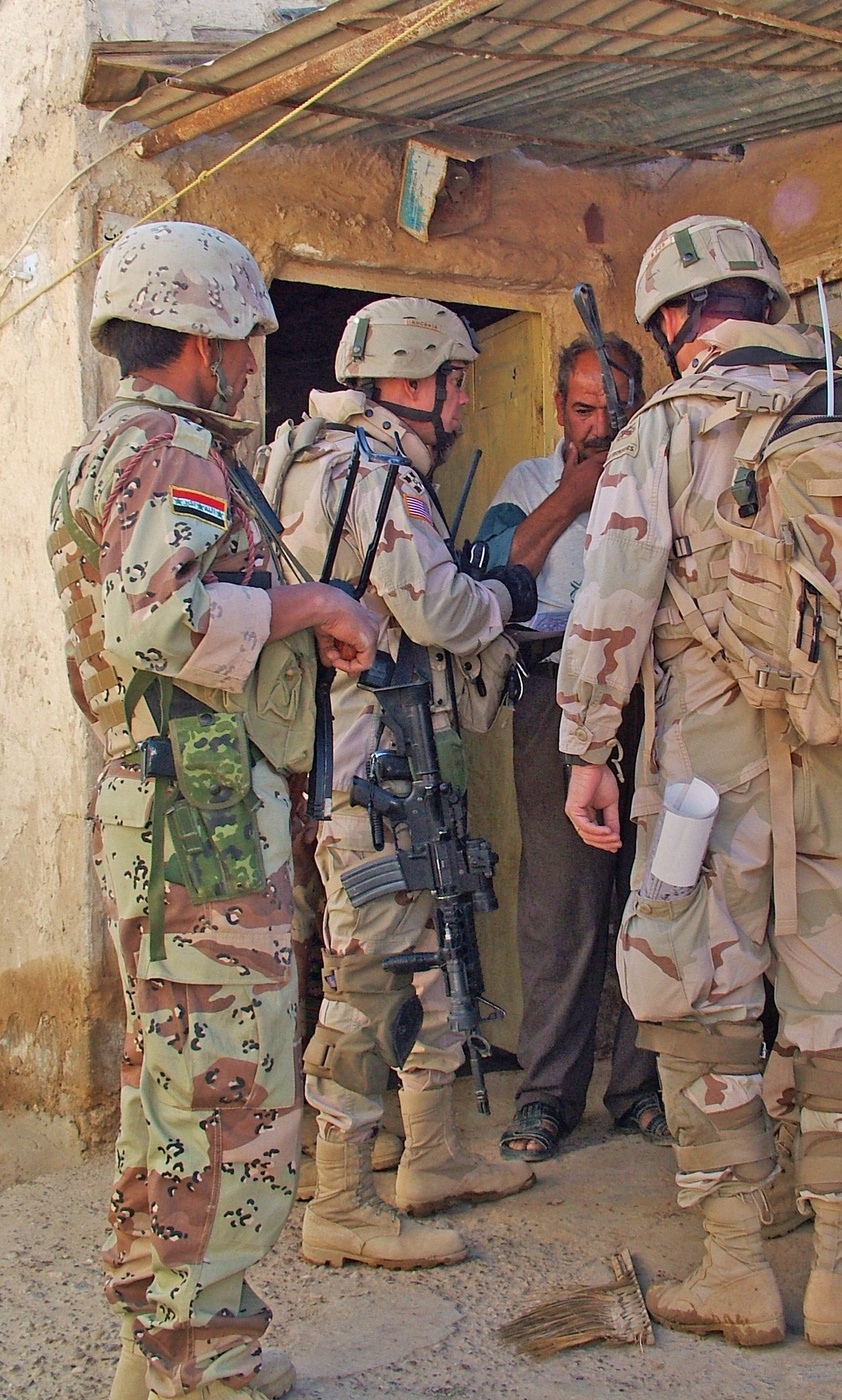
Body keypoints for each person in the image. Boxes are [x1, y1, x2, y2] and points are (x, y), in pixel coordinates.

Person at [558, 215, 842, 1349]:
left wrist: (587, 744)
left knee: (694, 984)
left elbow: (612, 596)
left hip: (702, 776)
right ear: (762, 300)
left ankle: (733, 1264)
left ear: (677, 318)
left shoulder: (664, 430)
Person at [48, 221, 379, 1400]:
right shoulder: (175, 455)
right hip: (201, 822)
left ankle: (161, 1349)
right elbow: (160, 622)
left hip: (162, 805)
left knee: (173, 1089)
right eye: (242, 340)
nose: (249, 364)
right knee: (229, 1096)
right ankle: (214, 1365)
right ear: (200, 339)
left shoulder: (108, 451)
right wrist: (314, 599)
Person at [268, 296, 538, 1274]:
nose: (464, 397)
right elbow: (440, 610)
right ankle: (339, 1196)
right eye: (457, 378)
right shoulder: (374, 472)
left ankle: (431, 1154)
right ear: (418, 382)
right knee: (367, 973)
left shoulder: (304, 455)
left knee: (426, 949)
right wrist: (503, 594)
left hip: (368, 759)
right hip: (371, 763)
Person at [475, 336, 668, 1162]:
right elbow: (489, 570)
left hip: (653, 708)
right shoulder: (525, 484)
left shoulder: (662, 473)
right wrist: (572, 494)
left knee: (654, 897)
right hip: (552, 702)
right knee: (562, 906)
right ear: (560, 407)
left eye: (613, 409)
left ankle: (640, 1089)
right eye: (583, 408)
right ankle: (548, 1095)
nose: (597, 425)